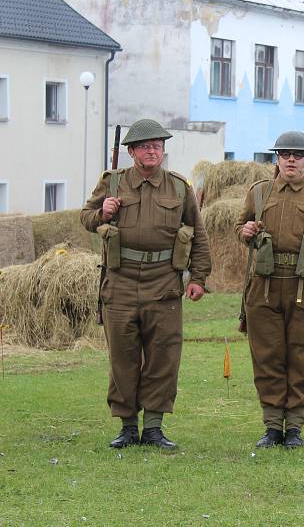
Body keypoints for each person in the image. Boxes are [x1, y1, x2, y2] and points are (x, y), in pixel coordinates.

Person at [80, 118, 212, 449]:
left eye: (157, 146)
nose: (151, 152)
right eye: (144, 147)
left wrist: (198, 277)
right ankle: (127, 427)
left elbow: (198, 234)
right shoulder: (112, 184)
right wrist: (102, 213)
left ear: (163, 151)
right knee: (123, 356)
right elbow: (85, 218)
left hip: (164, 283)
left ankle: (153, 426)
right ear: (131, 152)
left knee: (163, 355)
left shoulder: (179, 187)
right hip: (121, 281)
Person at [234, 131, 304, 449]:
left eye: (298, 155)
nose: (291, 160)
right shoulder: (258, 193)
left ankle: (294, 425)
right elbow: (239, 229)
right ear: (277, 159)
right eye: (285, 154)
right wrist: (245, 230)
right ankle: (272, 425)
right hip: (263, 287)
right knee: (267, 356)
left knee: (300, 355)